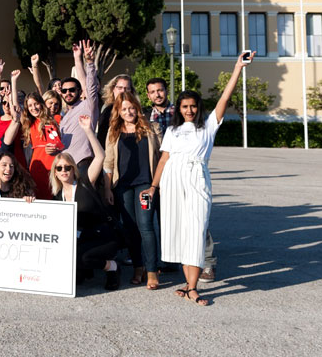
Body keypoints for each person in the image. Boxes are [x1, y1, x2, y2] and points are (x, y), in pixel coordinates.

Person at [141, 52, 254, 306]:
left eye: (193, 106)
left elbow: (225, 97)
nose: (189, 110)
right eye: (185, 106)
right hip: (171, 181)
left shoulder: (209, 125)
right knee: (180, 232)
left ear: (198, 107)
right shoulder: (172, 130)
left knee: (197, 229)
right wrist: (153, 187)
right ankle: (189, 285)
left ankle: (193, 286)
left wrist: (238, 67)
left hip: (197, 180)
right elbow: (163, 160)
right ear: (179, 109)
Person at [49, 115, 122, 290]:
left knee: (81, 257)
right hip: (79, 239)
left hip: (102, 237)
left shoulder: (85, 181)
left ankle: (113, 267)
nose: (64, 170)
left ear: (74, 169)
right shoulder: (57, 195)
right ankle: (85, 270)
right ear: (55, 172)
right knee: (77, 271)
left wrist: (88, 130)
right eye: (59, 168)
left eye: (68, 167)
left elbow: (100, 156)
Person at [103, 91, 161, 289]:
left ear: (137, 107)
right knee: (130, 228)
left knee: (146, 226)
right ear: (118, 112)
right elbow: (109, 163)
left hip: (146, 184)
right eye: (124, 109)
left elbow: (163, 158)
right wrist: (108, 189)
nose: (128, 112)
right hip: (123, 186)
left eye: (131, 108)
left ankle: (152, 271)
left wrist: (158, 185)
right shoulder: (114, 132)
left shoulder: (152, 128)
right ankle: (139, 267)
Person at [57, 41, 99, 167]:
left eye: (72, 90)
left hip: (82, 163)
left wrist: (89, 63)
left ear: (80, 91)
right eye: (64, 91)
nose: (68, 93)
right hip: (64, 166)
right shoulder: (62, 116)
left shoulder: (88, 106)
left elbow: (90, 87)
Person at [22, 90, 60, 200]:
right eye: (30, 105)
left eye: (36, 104)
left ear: (41, 104)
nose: (33, 108)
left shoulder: (53, 121)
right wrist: (13, 82)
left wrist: (56, 150)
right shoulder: (29, 123)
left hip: (51, 163)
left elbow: (59, 144)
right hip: (36, 165)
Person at [97, 74, 133, 147]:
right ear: (113, 89)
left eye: (127, 88)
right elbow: (102, 135)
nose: (123, 91)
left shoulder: (136, 109)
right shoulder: (107, 109)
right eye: (120, 88)